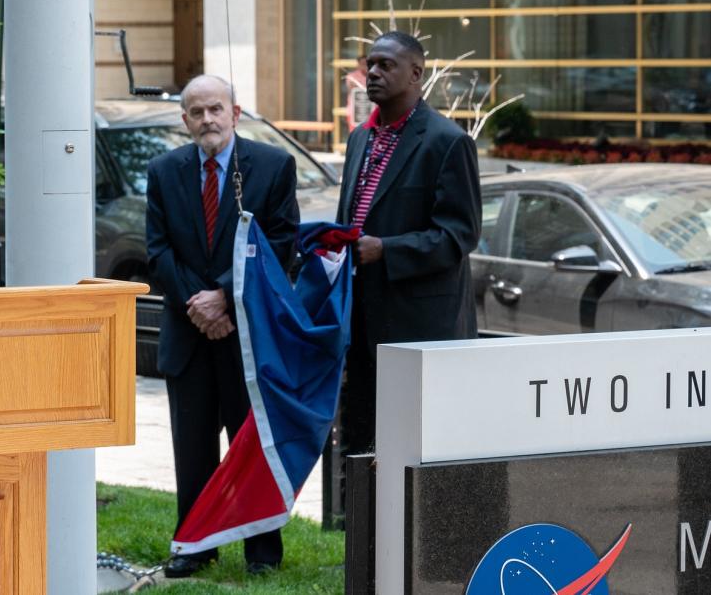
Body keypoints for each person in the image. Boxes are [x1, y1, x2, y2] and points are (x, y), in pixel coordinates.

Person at [146, 74, 299, 578]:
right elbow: (158, 249)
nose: (207, 119)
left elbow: (280, 244)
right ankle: (195, 545)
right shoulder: (163, 171)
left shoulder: (273, 166)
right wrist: (198, 303)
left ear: (235, 113)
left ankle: (262, 552)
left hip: (246, 335)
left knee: (250, 444)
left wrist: (225, 300)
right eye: (196, 111)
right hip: (188, 333)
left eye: (216, 109)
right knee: (191, 449)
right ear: (184, 119)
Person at [335, 31, 481, 457]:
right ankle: (363, 525)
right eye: (370, 64)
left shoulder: (447, 141)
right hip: (361, 320)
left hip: (420, 329)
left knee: (415, 450)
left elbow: (459, 235)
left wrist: (387, 249)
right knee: (364, 447)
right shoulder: (360, 138)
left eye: (385, 65)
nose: (373, 73)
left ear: (416, 73)